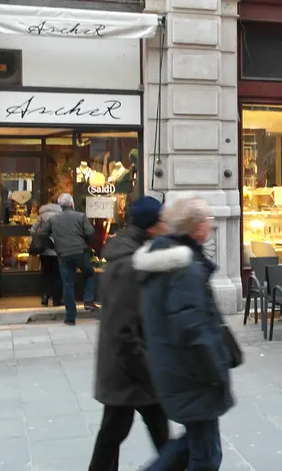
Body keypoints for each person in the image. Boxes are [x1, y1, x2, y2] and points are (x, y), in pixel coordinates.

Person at [133, 197, 233, 471]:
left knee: (191, 446)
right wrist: (215, 372)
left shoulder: (166, 259)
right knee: (206, 458)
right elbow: (192, 327)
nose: (211, 225)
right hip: (193, 375)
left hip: (177, 370)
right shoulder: (184, 268)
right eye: (208, 219)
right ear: (196, 227)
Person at [88, 196, 170, 471]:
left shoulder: (130, 252)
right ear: (151, 227)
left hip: (126, 368)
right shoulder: (129, 264)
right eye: (162, 220)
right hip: (130, 369)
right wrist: (149, 371)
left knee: (114, 436)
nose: (166, 224)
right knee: (119, 436)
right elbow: (124, 329)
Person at [38, 193, 98, 325]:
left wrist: (53, 245)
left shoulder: (53, 219)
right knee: (89, 274)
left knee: (68, 284)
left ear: (60, 205)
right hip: (80, 251)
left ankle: (70, 317)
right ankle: (88, 300)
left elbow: (42, 234)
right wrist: (87, 244)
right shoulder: (80, 216)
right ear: (72, 204)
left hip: (63, 254)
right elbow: (90, 232)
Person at [30, 202, 62, 306]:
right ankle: (56, 299)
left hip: (44, 250)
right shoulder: (60, 216)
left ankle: (45, 297)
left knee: (46, 274)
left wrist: (42, 239)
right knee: (57, 275)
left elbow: (33, 230)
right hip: (57, 250)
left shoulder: (41, 216)